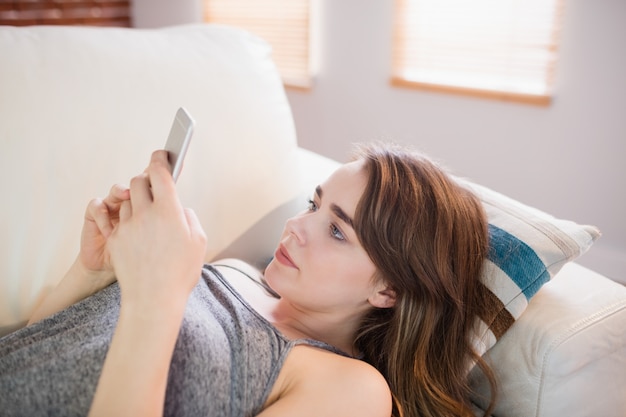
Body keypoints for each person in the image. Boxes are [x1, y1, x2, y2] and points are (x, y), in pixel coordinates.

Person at [0, 142, 496, 417]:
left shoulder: (353, 390)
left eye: (337, 231)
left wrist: (155, 297)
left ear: (387, 290)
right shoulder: (237, 273)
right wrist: (92, 271)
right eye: (313, 204)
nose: (297, 227)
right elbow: (39, 353)